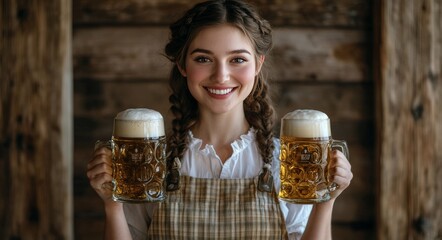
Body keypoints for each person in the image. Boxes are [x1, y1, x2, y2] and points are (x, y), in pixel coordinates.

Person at [86, 0, 353, 239]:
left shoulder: (288, 167)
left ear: (258, 64)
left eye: (237, 59)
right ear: (182, 65)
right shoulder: (150, 165)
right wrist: (112, 205)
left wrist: (325, 200)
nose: (221, 76)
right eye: (203, 59)